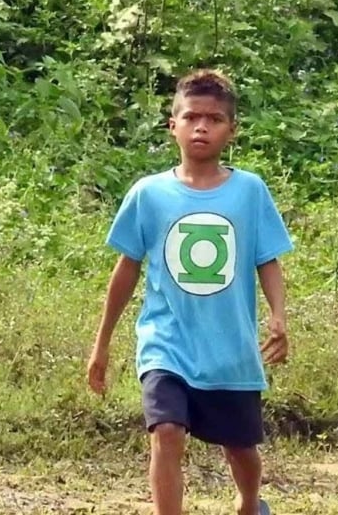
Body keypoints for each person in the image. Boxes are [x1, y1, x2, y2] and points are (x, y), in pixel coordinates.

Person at [86, 69, 291, 515]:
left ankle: (249, 501)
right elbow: (126, 270)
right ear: (172, 124)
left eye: (215, 119)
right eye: (192, 117)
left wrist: (278, 316)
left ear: (231, 130)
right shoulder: (149, 194)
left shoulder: (250, 191)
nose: (202, 127)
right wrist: (101, 344)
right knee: (166, 432)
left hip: (229, 350)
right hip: (166, 344)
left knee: (241, 451)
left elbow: (267, 259)